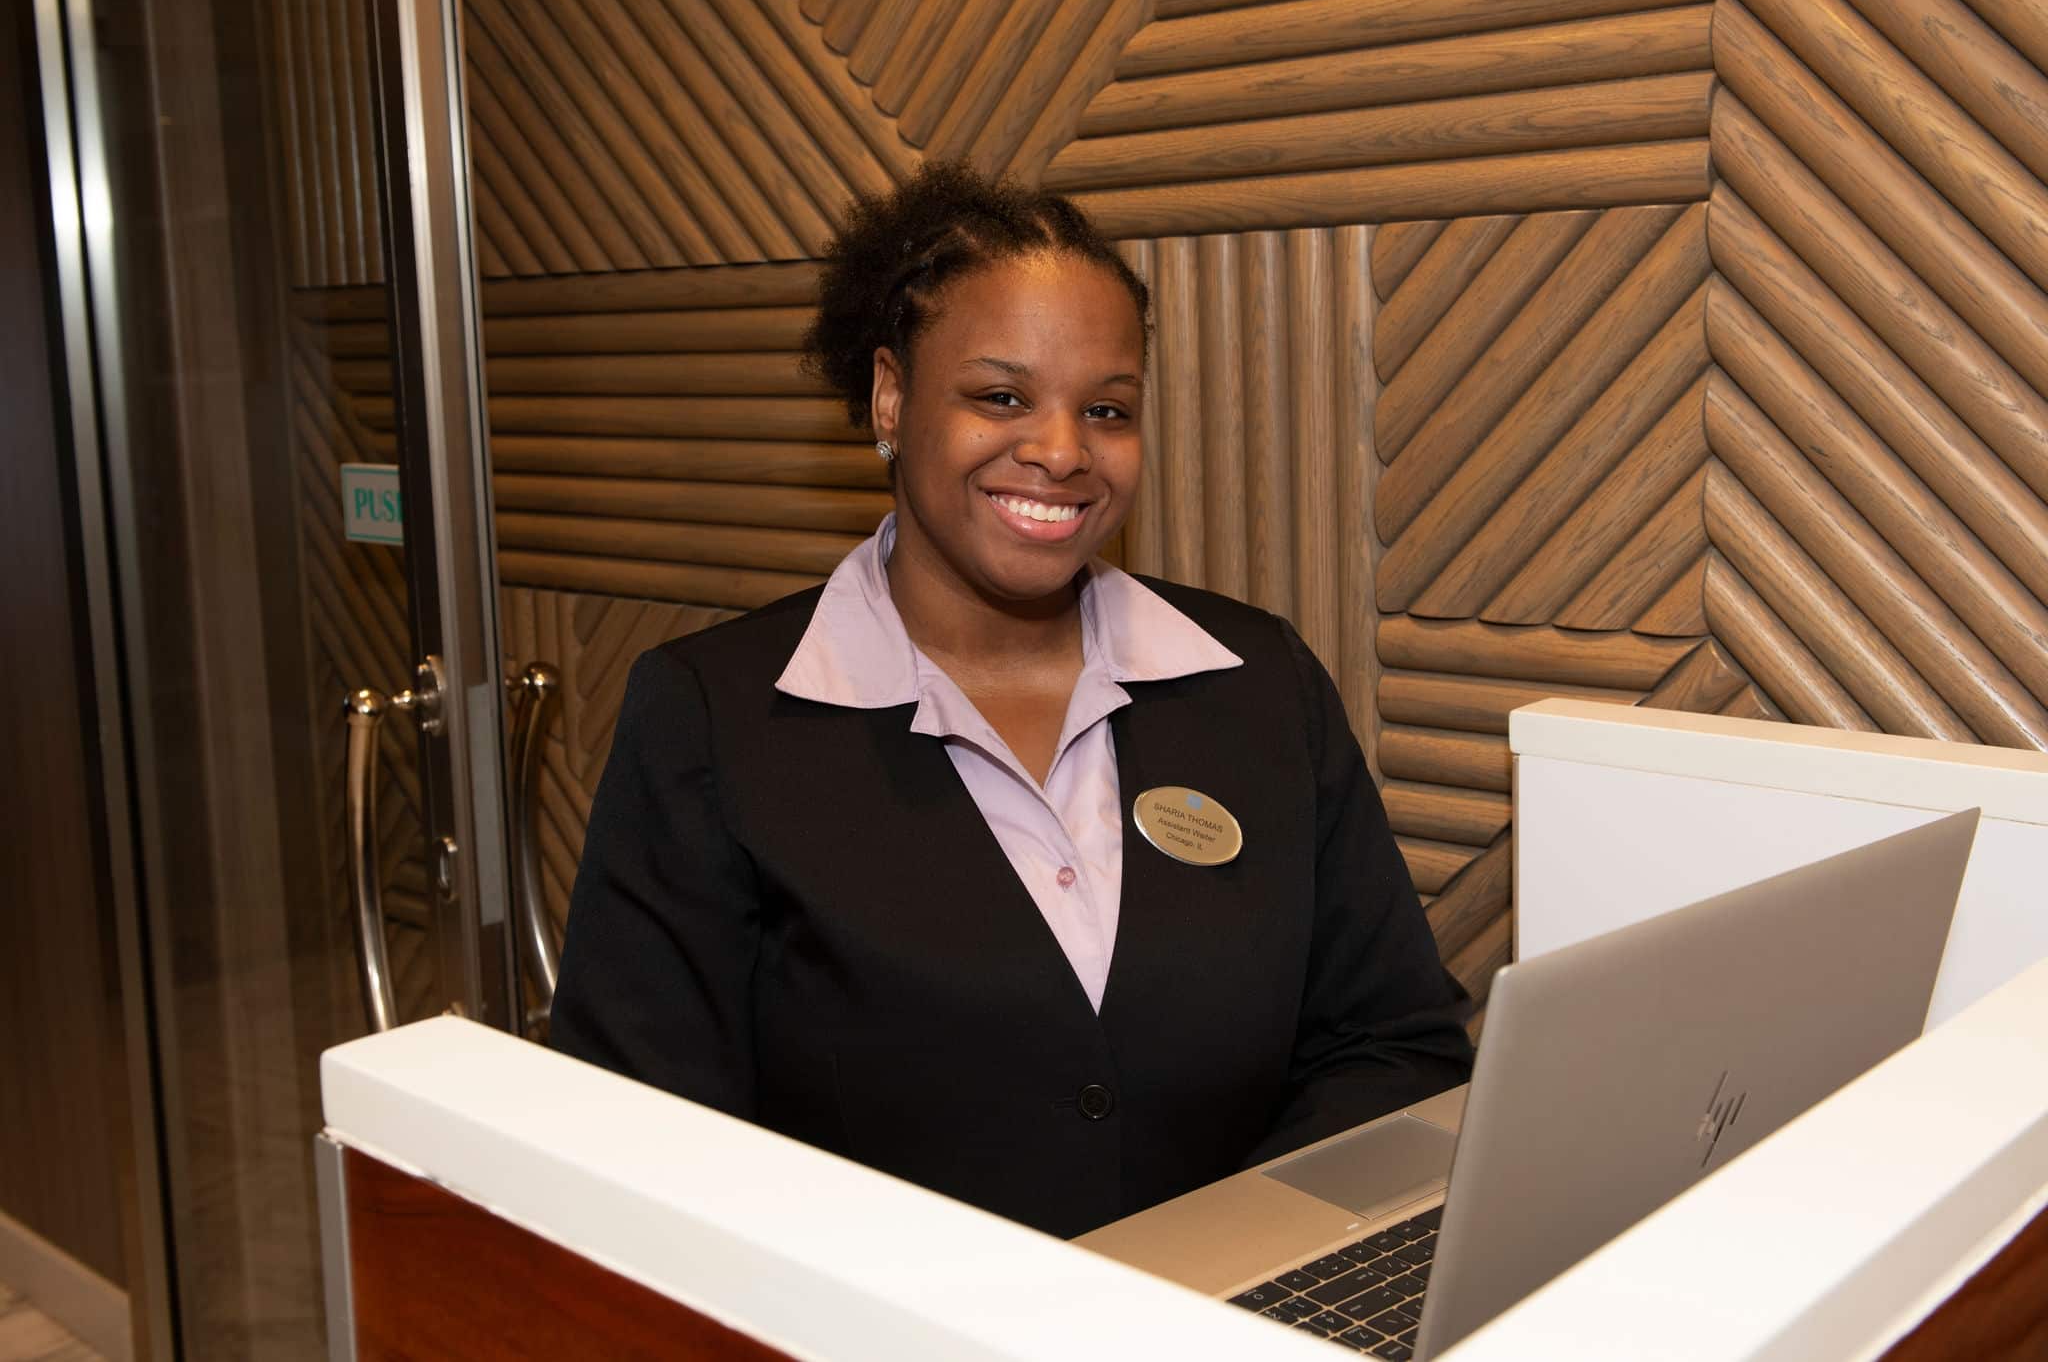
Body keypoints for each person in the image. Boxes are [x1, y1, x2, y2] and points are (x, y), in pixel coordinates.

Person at [549, 163, 1474, 1240]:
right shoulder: (712, 719)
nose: (1061, 451)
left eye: (1106, 409)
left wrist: (1209, 1268)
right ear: (890, 396)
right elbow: (642, 1151)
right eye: (1001, 397)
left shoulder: (1257, 681)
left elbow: (1394, 1047)